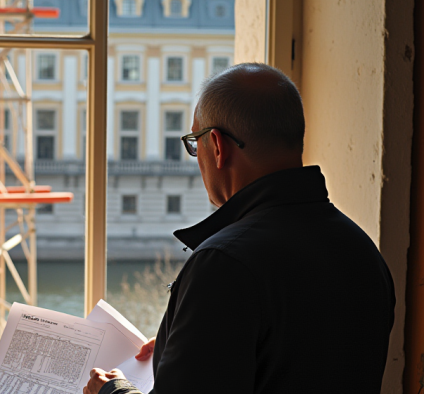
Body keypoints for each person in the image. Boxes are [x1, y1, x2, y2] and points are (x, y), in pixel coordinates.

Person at [85, 63, 395, 394]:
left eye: (195, 143)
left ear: (217, 146)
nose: (197, 157)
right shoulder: (361, 249)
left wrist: (112, 390)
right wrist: (183, 346)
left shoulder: (224, 263)